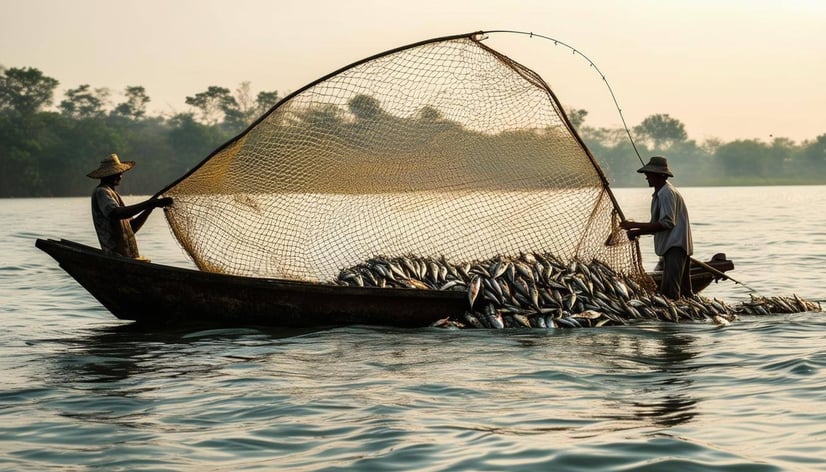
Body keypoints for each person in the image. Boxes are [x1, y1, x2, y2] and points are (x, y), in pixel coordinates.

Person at [620, 156, 693, 299]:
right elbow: (658, 225)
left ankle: (674, 319)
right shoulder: (661, 193)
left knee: (670, 294)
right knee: (686, 294)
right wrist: (637, 232)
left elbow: (667, 223)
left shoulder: (667, 193)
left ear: (659, 175)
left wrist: (633, 225)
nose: (646, 178)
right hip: (674, 246)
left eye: (649, 174)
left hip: (675, 247)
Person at [87, 153, 173, 259]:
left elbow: (132, 227)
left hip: (128, 257)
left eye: (120, 172)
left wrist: (150, 207)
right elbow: (116, 213)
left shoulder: (113, 194)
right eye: (115, 173)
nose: (119, 176)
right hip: (115, 257)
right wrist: (149, 203)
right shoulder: (102, 191)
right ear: (105, 175)